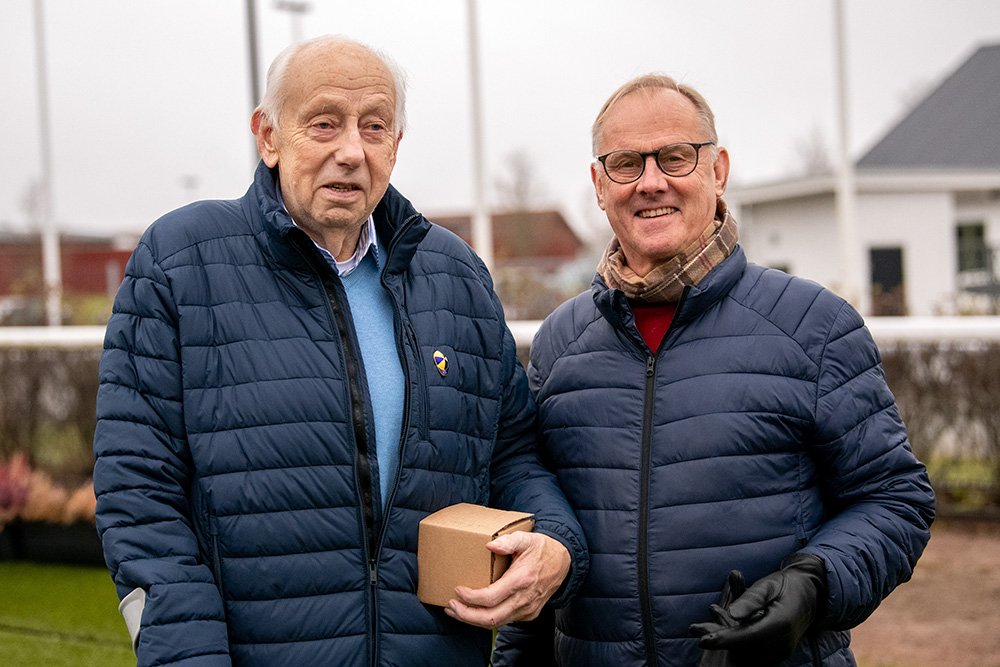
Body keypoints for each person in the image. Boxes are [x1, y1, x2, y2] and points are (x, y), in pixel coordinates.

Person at [93, 35, 587, 666]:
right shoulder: (180, 263)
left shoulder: (455, 275)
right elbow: (139, 497)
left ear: (396, 145)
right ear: (268, 137)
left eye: (374, 127)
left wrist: (556, 543)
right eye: (324, 123)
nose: (351, 151)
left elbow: (513, 454)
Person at [493, 74, 935, 666]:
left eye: (675, 157)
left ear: (718, 169)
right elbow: (543, 538)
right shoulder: (559, 342)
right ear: (599, 186)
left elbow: (894, 498)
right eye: (626, 163)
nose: (652, 182)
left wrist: (814, 585)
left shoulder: (814, 325)